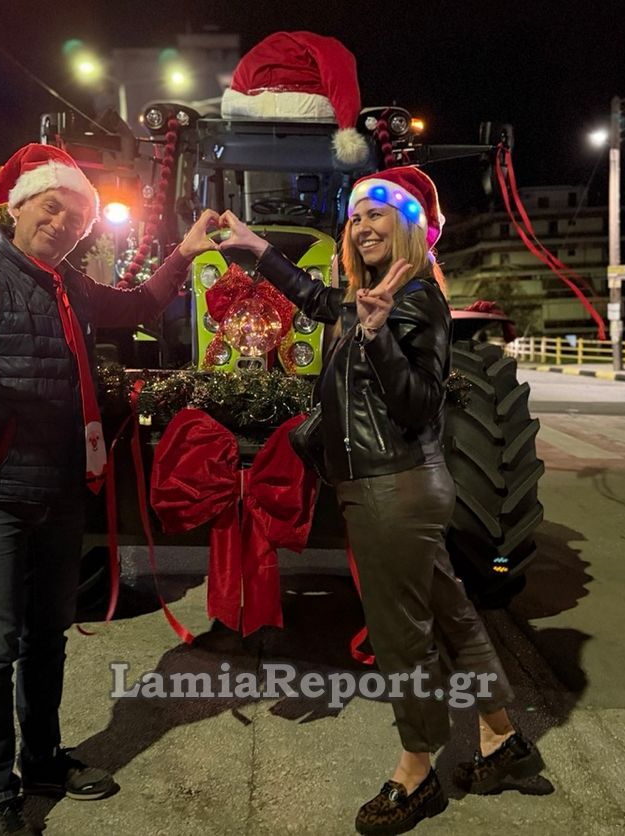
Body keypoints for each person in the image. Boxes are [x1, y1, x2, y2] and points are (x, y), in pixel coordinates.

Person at [0, 143, 220, 836]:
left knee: (47, 636)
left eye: (77, 217)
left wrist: (186, 252)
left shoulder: (68, 283)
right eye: (51, 207)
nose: (63, 223)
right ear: (16, 209)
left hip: (58, 486)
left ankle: (43, 760)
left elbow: (140, 304)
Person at [218, 166, 544, 835]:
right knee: (452, 616)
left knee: (403, 639)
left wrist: (376, 337)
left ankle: (416, 771)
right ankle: (501, 740)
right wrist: (257, 250)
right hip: (395, 485)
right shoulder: (376, 297)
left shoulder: (415, 300)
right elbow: (317, 298)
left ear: (409, 226)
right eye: (356, 216)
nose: (362, 226)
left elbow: (420, 402)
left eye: (378, 214)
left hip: (391, 487)